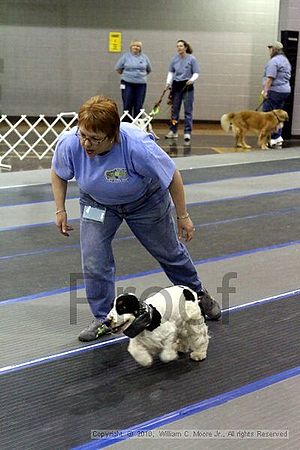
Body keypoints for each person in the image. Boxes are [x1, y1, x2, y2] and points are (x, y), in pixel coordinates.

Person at [51, 95, 221, 342]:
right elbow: (58, 173)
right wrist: (60, 209)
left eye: (95, 139)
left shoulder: (137, 146)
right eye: (83, 135)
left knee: (169, 252)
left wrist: (183, 215)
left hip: (145, 202)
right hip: (98, 203)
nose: (86, 143)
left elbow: (172, 175)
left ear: (113, 135)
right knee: (93, 259)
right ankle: (103, 318)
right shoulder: (70, 143)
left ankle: (197, 294)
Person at [165, 39, 200, 142]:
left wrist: (192, 79)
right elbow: (171, 72)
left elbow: (196, 72)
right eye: (177, 46)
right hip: (176, 86)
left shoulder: (192, 59)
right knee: (175, 110)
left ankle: (187, 132)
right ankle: (173, 131)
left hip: (187, 87)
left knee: (188, 111)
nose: (179, 48)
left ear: (185, 47)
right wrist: (168, 83)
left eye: (181, 46)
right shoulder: (174, 59)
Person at [262, 40, 291, 147]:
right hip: (285, 91)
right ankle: (278, 137)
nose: (269, 50)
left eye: (270, 48)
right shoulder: (285, 60)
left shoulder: (273, 61)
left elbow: (270, 78)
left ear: (274, 49)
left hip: (274, 91)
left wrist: (265, 91)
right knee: (279, 116)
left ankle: (269, 138)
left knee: (267, 116)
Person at [115, 40, 152, 119]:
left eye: (138, 46)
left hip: (141, 85)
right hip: (127, 83)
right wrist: (128, 75)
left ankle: (137, 125)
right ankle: (127, 123)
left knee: (138, 105)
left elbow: (149, 69)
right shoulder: (125, 56)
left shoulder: (144, 57)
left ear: (140, 48)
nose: (136, 47)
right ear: (131, 47)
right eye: (134, 45)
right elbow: (118, 68)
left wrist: (140, 76)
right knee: (127, 104)